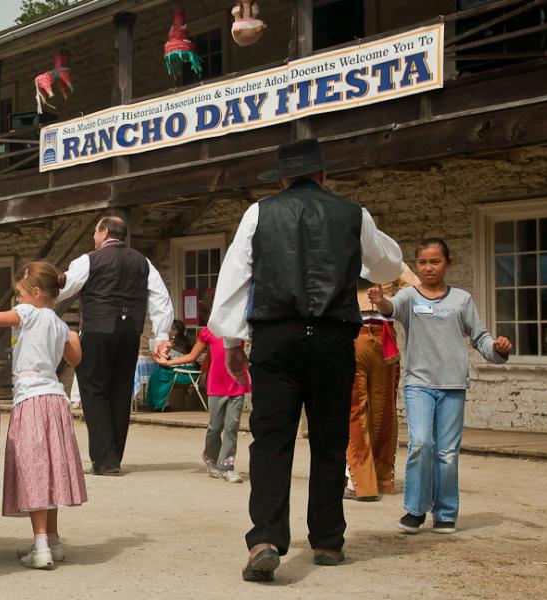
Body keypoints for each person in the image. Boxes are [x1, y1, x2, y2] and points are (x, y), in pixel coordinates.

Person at [208, 138, 403, 582]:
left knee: (271, 441)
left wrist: (233, 343)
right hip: (334, 339)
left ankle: (266, 538)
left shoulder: (259, 213)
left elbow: (234, 280)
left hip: (277, 338)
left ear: (281, 178)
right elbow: (390, 267)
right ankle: (328, 540)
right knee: (330, 441)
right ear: (323, 175)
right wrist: (358, 236)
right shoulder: (354, 213)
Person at [0, 261, 87, 570]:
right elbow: (74, 357)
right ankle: (53, 540)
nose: (18, 300)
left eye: (20, 294)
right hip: (55, 401)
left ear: (35, 293)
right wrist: (74, 338)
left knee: (35, 472)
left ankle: (41, 548)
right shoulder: (61, 325)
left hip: (31, 402)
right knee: (50, 473)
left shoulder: (28, 313)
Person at [367, 238, 511, 535]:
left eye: (435, 261)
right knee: (421, 443)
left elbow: (480, 337)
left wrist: (499, 348)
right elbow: (389, 309)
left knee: (447, 452)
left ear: (448, 262)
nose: (429, 267)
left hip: (452, 385)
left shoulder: (462, 300)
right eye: (423, 262)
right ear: (416, 265)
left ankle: (445, 513)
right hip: (418, 384)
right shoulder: (409, 296)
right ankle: (415, 511)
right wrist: (379, 299)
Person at [57, 216, 173, 475]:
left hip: (97, 330)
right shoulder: (143, 262)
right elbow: (160, 298)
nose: (93, 238)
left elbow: (64, 288)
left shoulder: (88, 260)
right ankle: (114, 456)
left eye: (95, 232)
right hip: (130, 332)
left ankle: (104, 459)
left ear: (104, 231)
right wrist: (161, 334)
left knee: (94, 390)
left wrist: (40, 291)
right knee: (121, 391)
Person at [344, 266, 418, 502]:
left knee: (356, 409)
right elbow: (414, 289)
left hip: (355, 333)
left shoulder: (342, 248)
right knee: (382, 408)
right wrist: (388, 303)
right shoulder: (386, 254)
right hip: (382, 332)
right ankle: (379, 478)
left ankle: (361, 482)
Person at [155, 315, 250, 483]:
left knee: (231, 427)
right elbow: (192, 356)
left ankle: (226, 466)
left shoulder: (240, 329)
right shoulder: (209, 331)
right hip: (216, 386)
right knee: (215, 427)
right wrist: (169, 363)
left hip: (237, 384)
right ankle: (210, 457)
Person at [143, 319, 199, 411]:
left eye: (171, 329)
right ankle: (159, 404)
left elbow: (178, 359)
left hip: (185, 372)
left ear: (177, 331)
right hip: (175, 370)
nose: (168, 330)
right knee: (156, 374)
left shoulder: (181, 343)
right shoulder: (168, 341)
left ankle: (162, 405)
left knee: (160, 375)